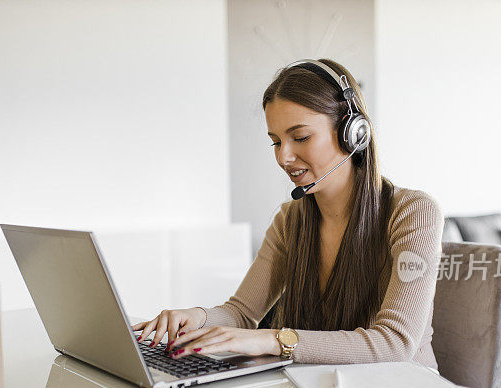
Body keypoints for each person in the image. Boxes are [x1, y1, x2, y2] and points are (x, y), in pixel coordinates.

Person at [132, 58, 443, 368]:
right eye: (276, 142)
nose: (284, 156)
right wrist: (196, 317)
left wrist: (274, 339)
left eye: (301, 137)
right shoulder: (290, 220)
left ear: (353, 133)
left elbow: (395, 343)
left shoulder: (413, 212)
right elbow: (241, 313)